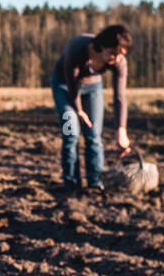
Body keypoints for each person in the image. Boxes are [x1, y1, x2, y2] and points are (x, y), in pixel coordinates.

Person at [49, 24, 133, 192]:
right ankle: (71, 183)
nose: (116, 59)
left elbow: (119, 97)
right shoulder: (76, 48)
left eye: (121, 55)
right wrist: (79, 110)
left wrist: (121, 130)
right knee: (70, 133)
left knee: (93, 135)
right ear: (102, 46)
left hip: (92, 88)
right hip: (64, 87)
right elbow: (72, 84)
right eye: (114, 53)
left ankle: (95, 182)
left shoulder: (119, 62)